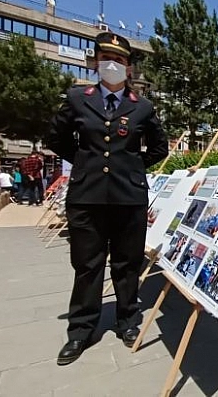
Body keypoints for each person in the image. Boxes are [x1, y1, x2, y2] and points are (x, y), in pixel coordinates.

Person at [46, 32, 168, 366]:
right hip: (86, 197)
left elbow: (159, 147)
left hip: (129, 198)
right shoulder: (77, 98)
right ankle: (81, 330)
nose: (112, 64)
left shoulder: (142, 106)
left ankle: (127, 319)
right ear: (96, 62)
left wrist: (129, 168)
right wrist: (85, 162)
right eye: (105, 58)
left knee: (127, 265)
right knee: (87, 265)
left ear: (129, 68)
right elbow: (56, 137)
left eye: (120, 60)